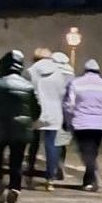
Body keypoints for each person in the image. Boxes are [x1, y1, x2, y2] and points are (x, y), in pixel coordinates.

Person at [0, 49, 41, 203]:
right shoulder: (28, 86)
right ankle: (14, 189)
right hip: (21, 130)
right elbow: (36, 110)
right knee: (17, 162)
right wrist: (28, 121)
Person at [64, 58, 102, 192]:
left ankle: (91, 180)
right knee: (92, 151)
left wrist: (68, 121)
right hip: (100, 125)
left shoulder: (76, 83)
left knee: (86, 152)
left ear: (85, 71)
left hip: (81, 123)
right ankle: (88, 180)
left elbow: (69, 106)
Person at [26, 48, 68, 191]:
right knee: (51, 145)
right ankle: (50, 179)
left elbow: (28, 91)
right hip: (54, 112)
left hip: (36, 111)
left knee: (33, 144)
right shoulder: (58, 73)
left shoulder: (31, 71)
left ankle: (29, 172)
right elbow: (62, 93)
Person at [51, 51, 75, 179]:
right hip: (66, 113)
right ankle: (60, 165)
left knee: (52, 141)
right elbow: (72, 97)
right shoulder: (71, 75)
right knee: (62, 142)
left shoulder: (51, 73)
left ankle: (54, 167)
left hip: (53, 110)